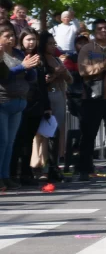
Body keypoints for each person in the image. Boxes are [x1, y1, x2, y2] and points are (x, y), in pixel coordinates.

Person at [77, 19, 106, 181]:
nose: (103, 31)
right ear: (94, 32)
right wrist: (105, 63)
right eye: (100, 29)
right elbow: (84, 71)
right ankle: (84, 170)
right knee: (88, 135)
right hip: (92, 98)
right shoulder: (88, 49)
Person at [0, 20, 39, 191]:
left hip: (19, 103)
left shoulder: (18, 53)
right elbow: (4, 76)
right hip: (3, 102)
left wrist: (31, 68)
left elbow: (31, 78)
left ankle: (6, 176)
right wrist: (22, 67)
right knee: (3, 141)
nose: (11, 38)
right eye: (7, 36)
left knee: (10, 142)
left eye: (12, 35)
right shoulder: (2, 55)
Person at [11, 28, 46, 185]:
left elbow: (42, 84)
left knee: (29, 140)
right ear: (22, 41)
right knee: (18, 140)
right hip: (21, 102)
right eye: (28, 39)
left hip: (37, 104)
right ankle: (12, 173)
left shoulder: (40, 58)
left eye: (34, 39)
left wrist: (47, 106)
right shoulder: (17, 56)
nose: (31, 42)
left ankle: (27, 173)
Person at [38, 31, 73, 182]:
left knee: (58, 133)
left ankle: (55, 165)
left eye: (54, 44)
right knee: (46, 134)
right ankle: (43, 167)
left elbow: (70, 80)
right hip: (47, 98)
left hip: (59, 96)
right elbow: (41, 81)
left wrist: (63, 72)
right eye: (50, 44)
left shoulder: (57, 59)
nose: (52, 46)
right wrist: (54, 74)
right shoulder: (39, 60)